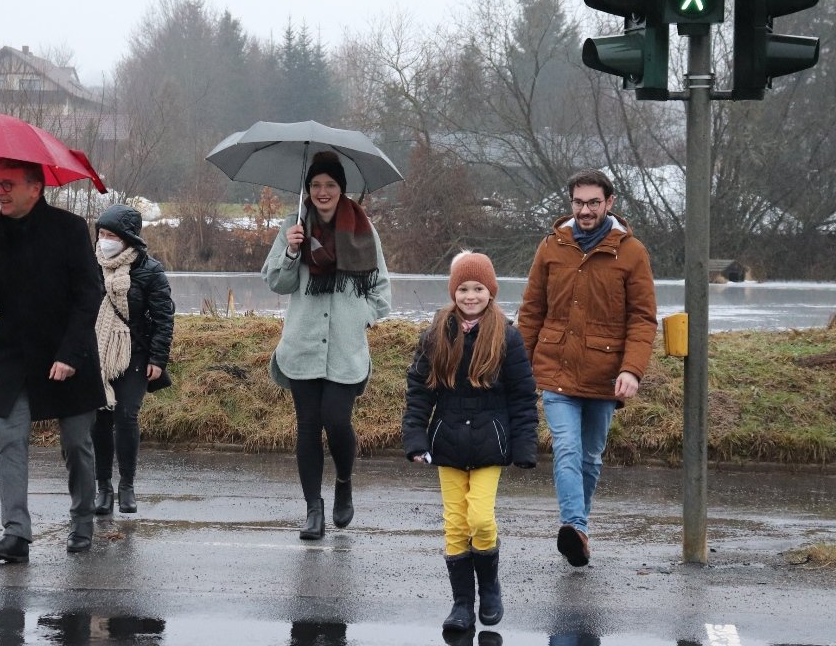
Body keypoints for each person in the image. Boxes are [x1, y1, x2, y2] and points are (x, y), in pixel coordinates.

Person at [0, 157, 105, 561]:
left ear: (35, 188)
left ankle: (82, 521)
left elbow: (89, 295)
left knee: (76, 444)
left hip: (66, 353)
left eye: (7, 184)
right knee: (8, 438)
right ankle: (16, 534)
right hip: (15, 355)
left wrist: (71, 355)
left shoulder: (70, 229)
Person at [517, 169, 657, 567]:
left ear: (609, 203)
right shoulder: (551, 247)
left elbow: (643, 319)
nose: (585, 210)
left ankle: (578, 533)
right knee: (566, 448)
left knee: (591, 457)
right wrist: (518, 368)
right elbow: (532, 312)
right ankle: (575, 526)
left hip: (605, 375)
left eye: (593, 202)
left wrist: (631, 369)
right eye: (578, 202)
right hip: (556, 369)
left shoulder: (632, 252)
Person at [403, 251, 538, 633]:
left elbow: (522, 397)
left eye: (478, 288)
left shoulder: (507, 336)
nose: (470, 296)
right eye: (463, 288)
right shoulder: (436, 334)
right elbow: (420, 392)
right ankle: (462, 603)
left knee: (479, 517)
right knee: (455, 524)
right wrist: (415, 439)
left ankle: (489, 588)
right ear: (453, 292)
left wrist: (524, 446)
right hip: (446, 444)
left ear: (490, 291)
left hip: (489, 445)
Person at [262, 150, 392, 540]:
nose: (322, 192)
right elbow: (277, 282)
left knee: (336, 420)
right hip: (302, 345)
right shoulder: (293, 226)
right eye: (316, 184)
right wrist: (291, 251)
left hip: (346, 349)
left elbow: (381, 290)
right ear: (307, 189)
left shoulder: (363, 230)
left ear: (341, 188)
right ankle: (313, 510)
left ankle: (344, 482)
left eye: (330, 185)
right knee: (307, 427)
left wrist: (362, 316)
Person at [90, 204, 175, 516]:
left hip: (135, 354)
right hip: (97, 354)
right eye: (101, 233)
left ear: (128, 238)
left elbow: (164, 317)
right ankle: (103, 487)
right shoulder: (90, 266)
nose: (105, 240)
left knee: (126, 416)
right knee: (100, 418)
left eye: (112, 235)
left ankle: (127, 485)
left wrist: (158, 358)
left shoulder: (149, 270)